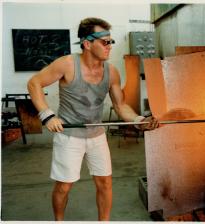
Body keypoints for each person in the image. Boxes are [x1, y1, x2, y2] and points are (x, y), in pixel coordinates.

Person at [27, 17, 159, 221]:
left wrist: (139, 119)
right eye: (104, 42)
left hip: (97, 135)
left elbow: (120, 105)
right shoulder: (67, 64)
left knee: (105, 183)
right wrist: (47, 115)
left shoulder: (112, 72)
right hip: (69, 135)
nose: (109, 46)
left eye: (110, 41)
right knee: (64, 186)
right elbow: (34, 83)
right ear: (87, 44)